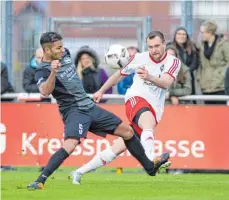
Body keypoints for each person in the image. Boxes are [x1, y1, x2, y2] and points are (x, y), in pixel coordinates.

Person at [27, 32, 169, 190]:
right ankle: (40, 180)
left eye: (62, 46)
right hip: (73, 110)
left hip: (89, 106)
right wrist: (53, 72)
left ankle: (150, 167)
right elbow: (45, 92)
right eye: (58, 47)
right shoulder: (42, 70)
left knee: (127, 132)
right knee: (71, 144)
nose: (63, 49)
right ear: (47, 51)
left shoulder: (65, 54)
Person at [70, 31, 181, 184]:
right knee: (148, 123)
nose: (154, 50)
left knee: (118, 147)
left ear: (164, 44)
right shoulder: (139, 58)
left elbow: (166, 83)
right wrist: (101, 90)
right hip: (136, 98)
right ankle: (151, 162)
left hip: (155, 106)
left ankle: (78, 172)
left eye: (157, 46)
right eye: (150, 47)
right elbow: (118, 75)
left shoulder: (173, 62)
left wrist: (149, 76)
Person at [197, 20, 229, 104]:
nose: (201, 35)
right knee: (208, 115)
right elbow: (201, 64)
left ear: (210, 32)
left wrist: (222, 75)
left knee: (220, 114)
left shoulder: (223, 44)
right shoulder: (202, 45)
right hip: (206, 86)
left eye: (203, 32)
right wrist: (200, 78)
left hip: (220, 86)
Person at [168, 27, 199, 96]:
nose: (181, 36)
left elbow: (195, 62)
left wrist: (186, 71)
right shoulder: (170, 48)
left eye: (184, 34)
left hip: (188, 76)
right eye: (179, 34)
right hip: (175, 76)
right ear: (175, 35)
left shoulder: (192, 47)